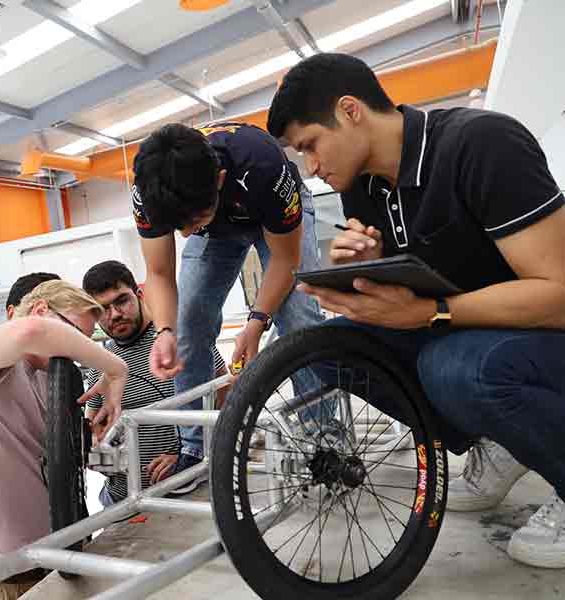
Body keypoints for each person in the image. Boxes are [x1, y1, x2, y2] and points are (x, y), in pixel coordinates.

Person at [268, 52, 565, 569]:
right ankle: (496, 440)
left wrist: (431, 314)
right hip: (482, 331)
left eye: (310, 145)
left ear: (351, 110)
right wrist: (373, 267)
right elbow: (429, 279)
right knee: (331, 348)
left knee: (450, 367)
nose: (310, 167)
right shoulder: (364, 185)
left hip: (546, 329)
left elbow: (559, 295)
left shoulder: (483, 144)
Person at [131, 121, 326, 484]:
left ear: (219, 179)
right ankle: (194, 446)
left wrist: (256, 322)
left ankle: (324, 434)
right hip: (219, 231)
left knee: (298, 316)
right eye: (178, 228)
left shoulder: (264, 166)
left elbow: (286, 260)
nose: (186, 234)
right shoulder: (149, 189)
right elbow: (158, 272)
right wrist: (164, 331)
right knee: (188, 324)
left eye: (192, 221)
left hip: (274, 215)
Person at [0, 279, 128, 599]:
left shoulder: (50, 377)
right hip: (18, 570)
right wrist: (116, 368)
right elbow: (31, 331)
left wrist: (109, 456)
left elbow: (59, 457)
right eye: (73, 335)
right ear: (42, 309)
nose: (73, 352)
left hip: (67, 545)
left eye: (82, 341)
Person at [82, 260, 228, 501]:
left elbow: (225, 392)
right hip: (120, 501)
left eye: (122, 301)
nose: (115, 315)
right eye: (102, 309)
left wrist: (189, 451)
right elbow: (94, 425)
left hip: (183, 493)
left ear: (139, 295)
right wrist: (97, 452)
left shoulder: (178, 340)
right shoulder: (101, 360)